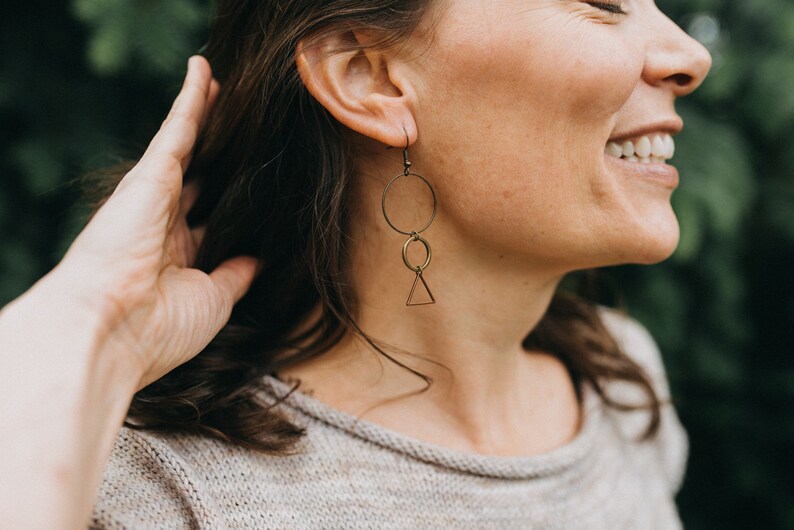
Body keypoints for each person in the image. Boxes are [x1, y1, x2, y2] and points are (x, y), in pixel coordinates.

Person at [0, 0, 712, 528]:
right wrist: (95, 322)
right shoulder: (146, 490)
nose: (689, 54)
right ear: (368, 76)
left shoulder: (622, 384)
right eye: (602, 2)